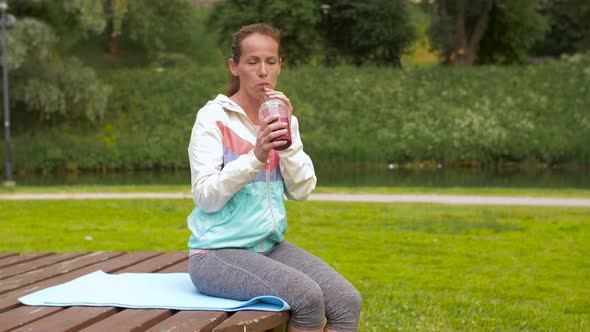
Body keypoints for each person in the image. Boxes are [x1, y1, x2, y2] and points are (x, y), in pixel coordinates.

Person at [186, 23, 362, 332]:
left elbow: (303, 190)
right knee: (307, 298)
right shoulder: (213, 118)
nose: (263, 71)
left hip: (269, 246)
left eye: (270, 61)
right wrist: (255, 156)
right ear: (235, 67)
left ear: (280, 66)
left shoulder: (283, 121)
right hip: (216, 254)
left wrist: (289, 144)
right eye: (252, 62)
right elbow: (205, 197)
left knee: (347, 302)